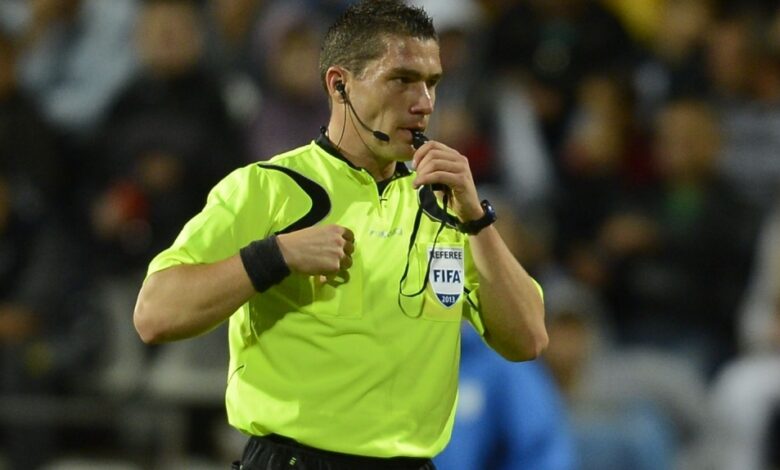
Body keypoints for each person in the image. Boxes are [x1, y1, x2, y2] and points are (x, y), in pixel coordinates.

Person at [133, 1, 547, 469]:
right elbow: (155, 314)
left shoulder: (446, 205)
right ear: (339, 84)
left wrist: (475, 218)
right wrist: (275, 256)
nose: (424, 103)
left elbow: (529, 339)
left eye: (432, 83)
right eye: (402, 80)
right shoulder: (268, 189)